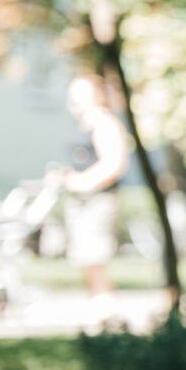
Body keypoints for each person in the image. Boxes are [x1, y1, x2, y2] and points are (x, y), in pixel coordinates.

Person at [60, 73, 131, 297]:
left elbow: (114, 164)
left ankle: (103, 298)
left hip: (97, 198)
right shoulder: (83, 124)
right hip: (81, 198)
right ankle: (96, 296)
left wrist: (81, 182)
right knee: (83, 253)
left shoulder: (105, 123)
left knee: (94, 251)